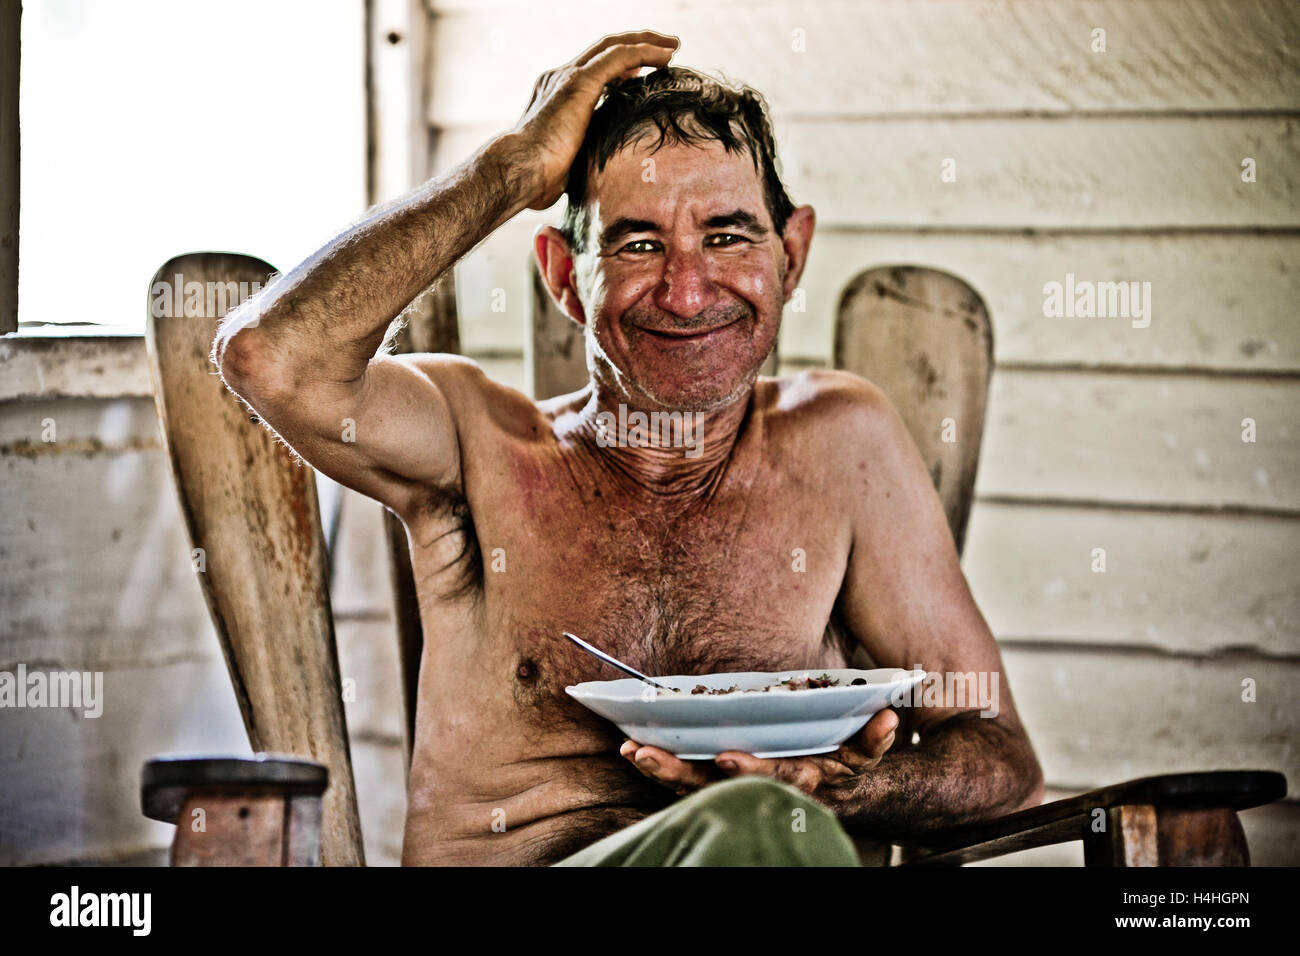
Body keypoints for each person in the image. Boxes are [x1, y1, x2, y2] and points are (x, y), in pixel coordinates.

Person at [213, 30, 1043, 866]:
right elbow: (271, 359)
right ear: (564, 277)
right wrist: (512, 169)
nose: (687, 292)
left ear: (790, 257)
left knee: (757, 823)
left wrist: (848, 790)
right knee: (752, 824)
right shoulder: (478, 445)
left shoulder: (841, 445)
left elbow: (1000, 756)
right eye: (637, 243)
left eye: (727, 236)